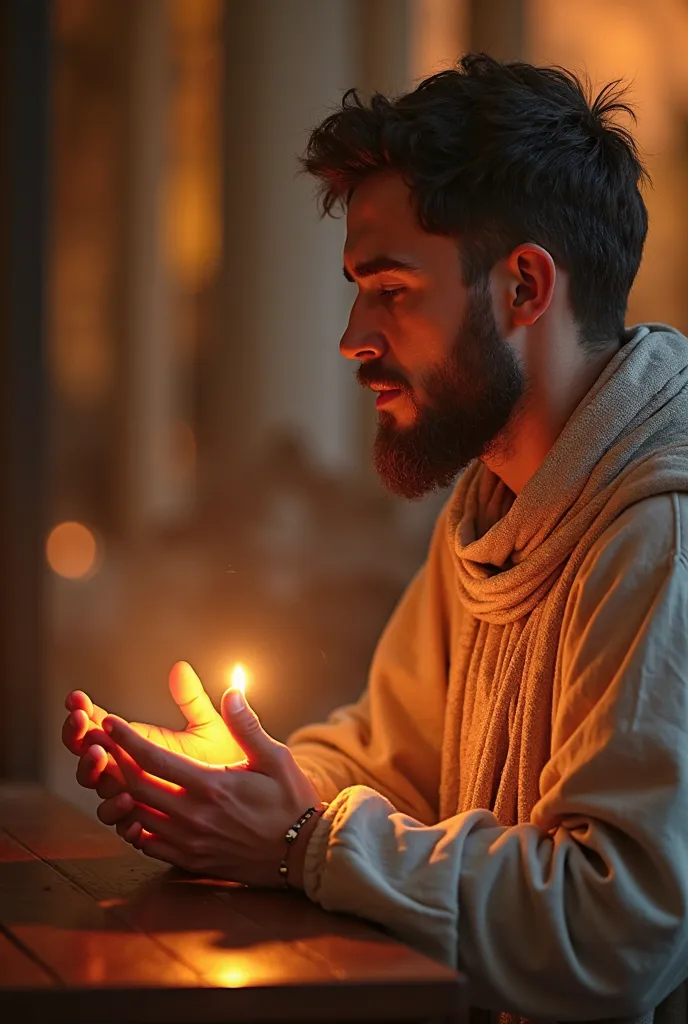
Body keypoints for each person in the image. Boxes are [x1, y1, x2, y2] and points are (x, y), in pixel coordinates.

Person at [61, 53, 688, 1024]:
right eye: (357, 288)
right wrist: (239, 776)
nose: (353, 334)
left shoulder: (662, 528)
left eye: (390, 288)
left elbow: (617, 928)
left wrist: (303, 839)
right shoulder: (494, 499)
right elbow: (395, 765)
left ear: (523, 288)